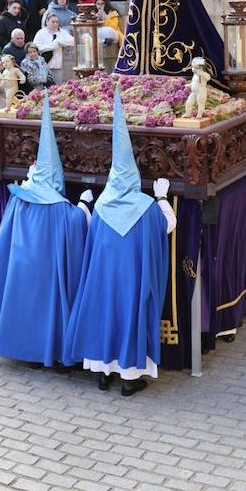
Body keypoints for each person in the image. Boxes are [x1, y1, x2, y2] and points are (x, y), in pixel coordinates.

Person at [65, 92, 176, 396]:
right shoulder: (146, 206)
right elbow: (169, 225)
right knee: (129, 318)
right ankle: (129, 379)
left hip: (103, 280)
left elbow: (87, 229)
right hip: (134, 281)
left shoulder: (102, 206)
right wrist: (163, 196)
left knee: (104, 315)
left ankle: (102, 374)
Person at [0, 96, 89, 365]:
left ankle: (22, 349)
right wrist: (83, 205)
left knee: (23, 306)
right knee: (46, 310)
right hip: (47, 270)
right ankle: (44, 352)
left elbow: (6, 236)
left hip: (21, 265)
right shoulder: (59, 207)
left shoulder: (19, 197)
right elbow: (75, 225)